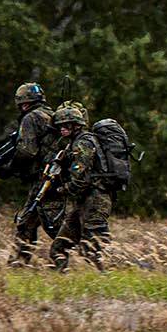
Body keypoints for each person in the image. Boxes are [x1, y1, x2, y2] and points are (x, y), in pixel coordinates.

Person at [47, 102, 112, 271]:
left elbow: (80, 179)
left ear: (75, 125)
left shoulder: (84, 143)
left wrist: (61, 190)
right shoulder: (73, 143)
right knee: (58, 248)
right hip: (82, 202)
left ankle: (105, 281)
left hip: (95, 201)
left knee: (92, 249)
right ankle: (61, 284)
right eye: (59, 126)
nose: (61, 129)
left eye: (64, 125)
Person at [9, 81, 63, 265]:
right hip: (56, 174)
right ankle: (18, 262)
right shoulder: (51, 115)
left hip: (45, 177)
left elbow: (27, 151)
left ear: (23, 103)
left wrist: (12, 167)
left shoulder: (30, 118)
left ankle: (92, 256)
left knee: (52, 224)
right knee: (28, 220)